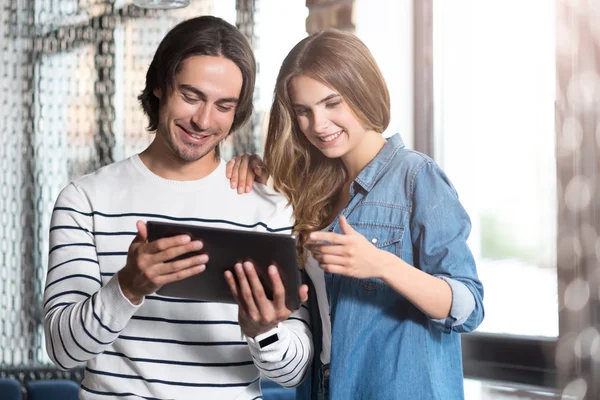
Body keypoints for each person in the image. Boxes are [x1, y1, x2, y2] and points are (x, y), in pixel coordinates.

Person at [43, 16, 312, 399]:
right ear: (158, 86)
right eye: (191, 96)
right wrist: (127, 287)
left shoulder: (267, 207)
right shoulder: (85, 200)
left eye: (223, 105)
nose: (203, 120)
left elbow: (294, 372)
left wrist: (263, 331)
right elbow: (63, 351)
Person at [226, 29, 484, 399]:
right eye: (304, 111)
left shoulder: (416, 177)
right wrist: (256, 169)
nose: (318, 124)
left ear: (362, 90)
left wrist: (381, 264)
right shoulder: (312, 191)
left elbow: (468, 306)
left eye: (333, 103)